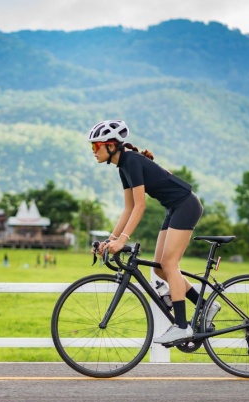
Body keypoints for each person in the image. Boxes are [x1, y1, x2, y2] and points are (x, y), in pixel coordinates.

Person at [89, 119, 219, 344]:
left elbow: (140, 206)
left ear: (110, 145)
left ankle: (182, 327)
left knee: (170, 264)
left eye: (95, 146)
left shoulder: (131, 161)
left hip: (186, 205)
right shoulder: (123, 167)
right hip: (174, 207)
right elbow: (128, 208)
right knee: (160, 269)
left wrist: (123, 240)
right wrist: (109, 240)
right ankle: (206, 305)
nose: (93, 151)